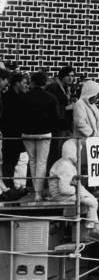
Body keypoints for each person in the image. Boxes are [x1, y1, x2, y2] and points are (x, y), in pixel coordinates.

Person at [47, 139, 99, 242]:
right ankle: (92, 229)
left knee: (92, 199)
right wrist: (76, 188)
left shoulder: (66, 163)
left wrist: (78, 187)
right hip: (61, 195)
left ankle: (95, 228)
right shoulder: (65, 166)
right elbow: (64, 190)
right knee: (92, 202)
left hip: (66, 193)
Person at [22, 71, 59, 201]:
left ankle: (36, 191)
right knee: (41, 163)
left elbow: (19, 116)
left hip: (27, 133)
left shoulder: (24, 97)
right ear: (44, 82)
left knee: (32, 162)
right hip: (44, 133)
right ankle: (38, 192)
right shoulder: (51, 97)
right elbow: (56, 118)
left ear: (32, 82)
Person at [0, 72, 29, 189]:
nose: (26, 85)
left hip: (15, 133)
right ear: (17, 84)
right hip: (10, 133)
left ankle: (12, 184)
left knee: (14, 160)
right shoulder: (8, 97)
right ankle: (9, 184)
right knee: (9, 161)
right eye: (24, 83)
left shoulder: (16, 96)